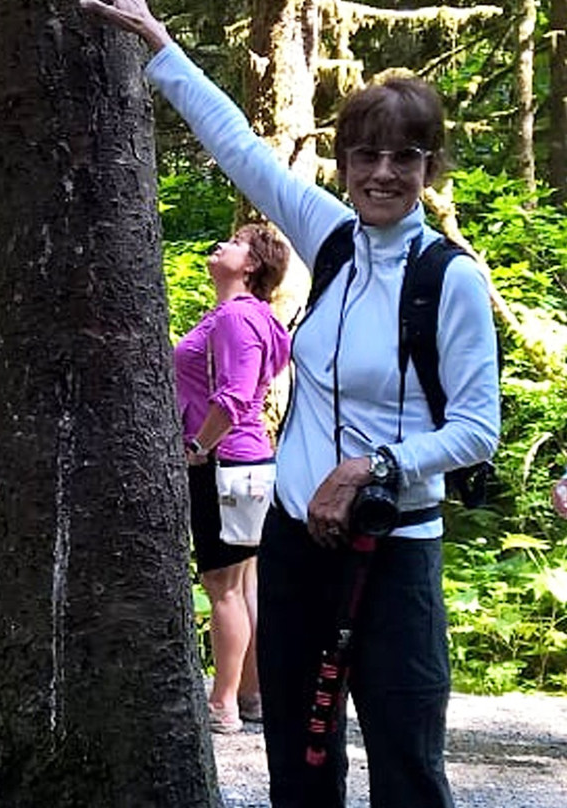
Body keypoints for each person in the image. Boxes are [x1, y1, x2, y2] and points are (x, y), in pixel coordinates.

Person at [81, 3, 499, 806]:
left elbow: (478, 430)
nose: (383, 173)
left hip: (395, 549)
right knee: (299, 765)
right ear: (345, 163)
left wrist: (375, 465)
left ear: (430, 167)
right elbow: (239, 148)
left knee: (407, 764)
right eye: (366, 155)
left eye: (404, 157)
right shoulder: (332, 238)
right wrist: (160, 44)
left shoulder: (450, 280)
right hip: (295, 543)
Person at [176, 224, 291, 734]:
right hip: (245, 464)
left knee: (222, 585)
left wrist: (199, 446)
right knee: (244, 582)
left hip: (226, 464)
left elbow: (237, 395)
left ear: (252, 265)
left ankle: (221, 704)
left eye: (237, 243)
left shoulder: (237, 317)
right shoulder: (248, 316)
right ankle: (251, 694)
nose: (222, 245)